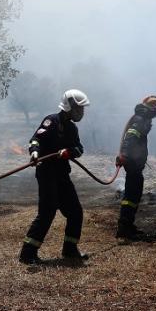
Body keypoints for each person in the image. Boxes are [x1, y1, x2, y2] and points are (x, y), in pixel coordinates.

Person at [18, 89, 90, 264]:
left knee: (75, 212)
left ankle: (70, 250)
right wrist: (35, 153)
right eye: (79, 108)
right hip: (46, 173)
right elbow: (35, 139)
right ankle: (28, 254)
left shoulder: (72, 128)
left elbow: (79, 149)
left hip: (62, 174)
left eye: (82, 109)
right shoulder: (51, 121)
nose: (81, 112)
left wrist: (69, 152)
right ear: (68, 106)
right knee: (47, 212)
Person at [115, 95, 156, 241]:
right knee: (131, 196)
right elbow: (130, 138)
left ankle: (128, 226)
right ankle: (124, 229)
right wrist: (124, 155)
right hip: (133, 164)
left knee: (134, 195)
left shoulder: (142, 119)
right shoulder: (139, 120)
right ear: (151, 109)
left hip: (136, 164)